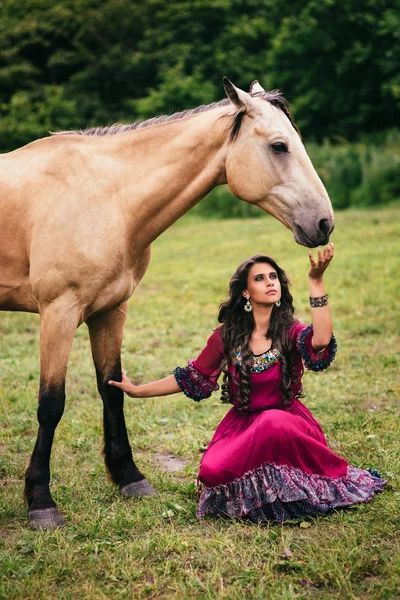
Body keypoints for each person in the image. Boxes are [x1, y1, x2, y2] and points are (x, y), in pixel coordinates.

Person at [109, 244, 385, 523]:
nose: (269, 283)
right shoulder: (227, 335)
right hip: (243, 427)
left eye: (273, 277)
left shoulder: (291, 330)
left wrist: (316, 281)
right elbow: (193, 377)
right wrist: (137, 391)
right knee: (212, 471)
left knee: (272, 422)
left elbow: (322, 340)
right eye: (260, 278)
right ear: (245, 292)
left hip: (287, 425)